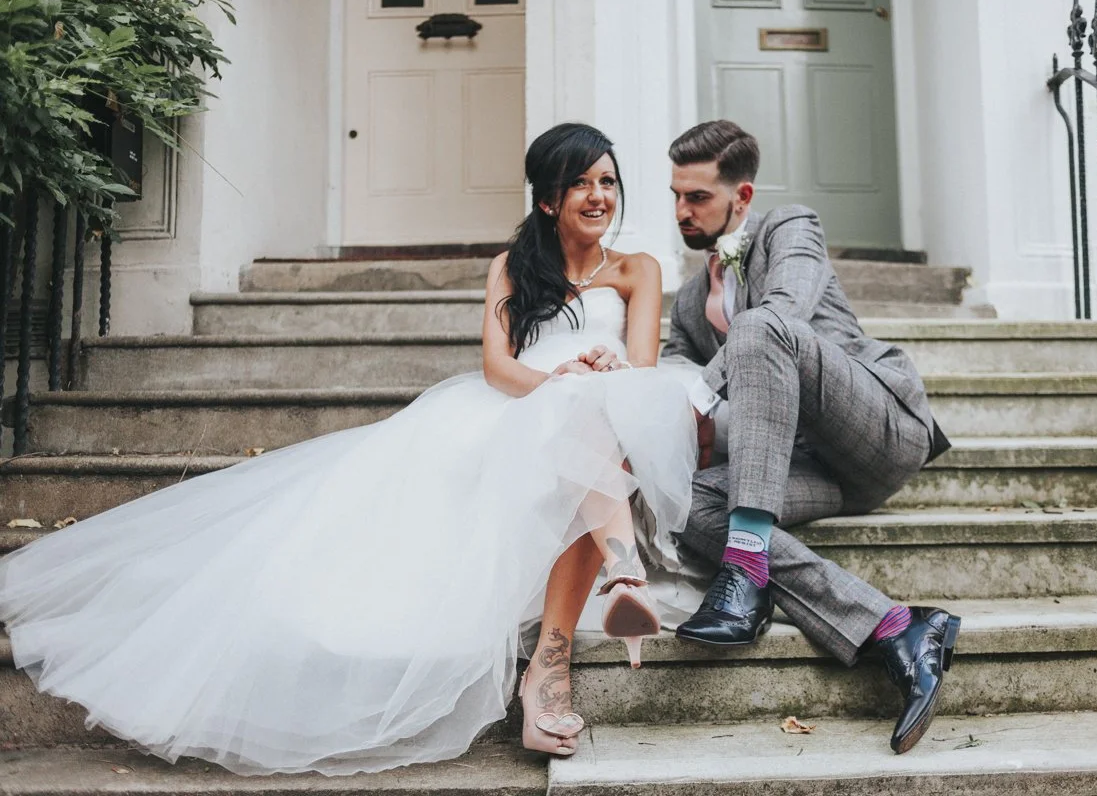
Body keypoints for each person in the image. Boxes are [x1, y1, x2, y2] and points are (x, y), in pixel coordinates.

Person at [0, 123, 699, 774]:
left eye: (607, 182)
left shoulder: (638, 269)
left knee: (598, 420)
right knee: (576, 424)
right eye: (582, 183)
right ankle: (614, 579)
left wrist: (602, 373)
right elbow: (498, 369)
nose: (599, 196)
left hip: (601, 415)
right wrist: (559, 380)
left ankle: (565, 643)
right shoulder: (511, 267)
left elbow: (642, 368)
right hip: (517, 411)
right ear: (548, 199)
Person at [662, 120, 960, 755]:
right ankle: (897, 627)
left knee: (760, 326)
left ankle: (744, 572)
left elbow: (788, 307)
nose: (682, 211)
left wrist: (703, 386)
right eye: (676, 197)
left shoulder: (790, 227)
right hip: (798, 471)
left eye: (697, 198)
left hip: (875, 427)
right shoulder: (689, 302)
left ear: (741, 197)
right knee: (680, 499)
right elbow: (666, 378)